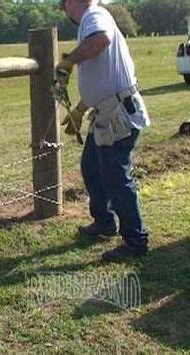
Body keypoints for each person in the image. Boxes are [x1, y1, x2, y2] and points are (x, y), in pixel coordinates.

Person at [56, 0, 150, 262]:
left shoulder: (93, 16)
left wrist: (70, 60)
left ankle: (135, 241)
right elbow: (104, 76)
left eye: (65, 6)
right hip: (109, 113)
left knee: (116, 178)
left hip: (117, 115)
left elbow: (101, 41)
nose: (66, 13)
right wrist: (81, 108)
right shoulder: (95, 17)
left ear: (71, 2)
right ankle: (105, 222)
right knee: (92, 167)